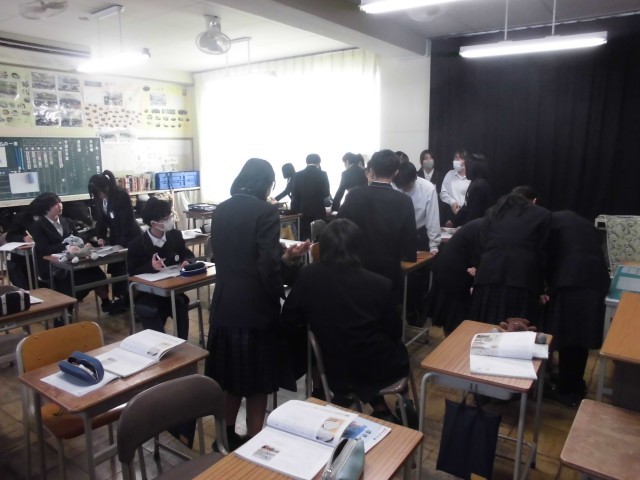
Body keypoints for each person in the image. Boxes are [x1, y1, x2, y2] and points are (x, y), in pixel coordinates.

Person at [206, 158, 310, 448]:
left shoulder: (221, 209)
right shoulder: (265, 211)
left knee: (229, 379)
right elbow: (266, 266)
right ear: (266, 183)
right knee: (258, 382)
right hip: (255, 310)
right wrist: (284, 274)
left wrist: (281, 258)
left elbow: (234, 254)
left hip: (224, 306)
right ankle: (254, 441)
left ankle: (224, 438)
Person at [281, 218, 409, 419]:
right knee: (386, 350)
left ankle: (371, 405)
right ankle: (394, 405)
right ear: (359, 247)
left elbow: (289, 318)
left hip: (333, 367)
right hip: (379, 367)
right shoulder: (379, 284)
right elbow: (394, 331)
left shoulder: (308, 276)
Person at [543, 210, 610, 406]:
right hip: (596, 279)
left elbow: (547, 258)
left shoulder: (548, 223)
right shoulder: (578, 221)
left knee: (568, 335)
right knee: (581, 336)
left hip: (571, 280)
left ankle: (566, 391)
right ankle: (575, 383)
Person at [338, 149, 417, 300]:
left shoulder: (354, 195)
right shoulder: (404, 201)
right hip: (389, 270)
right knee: (386, 308)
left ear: (372, 170)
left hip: (357, 267)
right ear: (396, 172)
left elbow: (338, 227)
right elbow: (410, 240)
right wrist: (409, 256)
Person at [470, 193, 551, 327]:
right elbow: (543, 252)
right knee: (518, 330)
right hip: (523, 282)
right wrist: (544, 288)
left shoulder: (493, 212)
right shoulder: (542, 215)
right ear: (533, 201)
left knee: (484, 327)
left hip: (487, 278)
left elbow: (482, 243)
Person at [30, 192, 117, 314]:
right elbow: (44, 249)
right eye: (55, 204)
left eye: (60, 202)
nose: (60, 206)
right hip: (53, 265)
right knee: (72, 281)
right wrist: (67, 247)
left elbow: (78, 240)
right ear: (46, 208)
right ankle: (67, 310)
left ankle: (106, 302)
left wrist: (90, 244)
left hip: (74, 261)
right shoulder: (38, 226)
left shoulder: (68, 221)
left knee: (97, 274)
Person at [127, 198, 194, 340]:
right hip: (149, 295)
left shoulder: (175, 235)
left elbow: (187, 254)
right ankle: (160, 345)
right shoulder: (137, 244)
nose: (170, 220)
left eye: (170, 216)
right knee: (152, 311)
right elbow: (132, 271)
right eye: (165, 219)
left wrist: (187, 261)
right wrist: (151, 267)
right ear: (153, 223)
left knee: (180, 305)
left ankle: (182, 343)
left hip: (172, 290)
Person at [88, 169, 141, 310]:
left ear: (106, 187)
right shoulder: (100, 199)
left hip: (130, 236)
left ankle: (135, 301)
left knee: (128, 268)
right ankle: (123, 299)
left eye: (98, 192)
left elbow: (126, 222)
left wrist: (122, 243)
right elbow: (101, 221)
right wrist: (100, 237)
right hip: (116, 237)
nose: (98, 196)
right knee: (117, 269)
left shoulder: (121, 196)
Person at [428, 218, 484, 335]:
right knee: (454, 323)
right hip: (453, 277)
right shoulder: (486, 227)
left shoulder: (483, 224)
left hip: (454, 272)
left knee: (455, 322)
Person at [393, 162, 441, 254]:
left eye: (407, 186)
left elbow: (432, 218)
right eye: (401, 187)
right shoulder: (394, 186)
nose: (404, 189)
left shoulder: (428, 188)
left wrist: (434, 245)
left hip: (419, 234)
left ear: (415, 178)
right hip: (397, 235)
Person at [290, 153, 330, 240]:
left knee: (305, 238)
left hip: (303, 212)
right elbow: (326, 193)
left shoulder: (298, 175)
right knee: (319, 238)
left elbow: (295, 194)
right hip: (318, 211)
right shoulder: (323, 174)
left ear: (306, 162)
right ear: (319, 162)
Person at [449, 153, 493, 227]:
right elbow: (466, 207)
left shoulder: (479, 186)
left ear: (473, 168)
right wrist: (454, 221)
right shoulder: (475, 182)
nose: (465, 170)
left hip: (478, 228)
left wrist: (462, 229)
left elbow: (474, 214)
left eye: (466, 167)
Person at [4, 200, 39, 290]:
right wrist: (24, 238)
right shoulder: (21, 218)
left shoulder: (55, 217)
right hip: (25, 256)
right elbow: (10, 236)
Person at [439, 149, 471, 224]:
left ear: (465, 161)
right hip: (450, 213)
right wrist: (452, 202)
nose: (456, 161)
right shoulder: (450, 174)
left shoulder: (470, 177)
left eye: (459, 158)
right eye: (455, 158)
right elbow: (443, 193)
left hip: (466, 214)